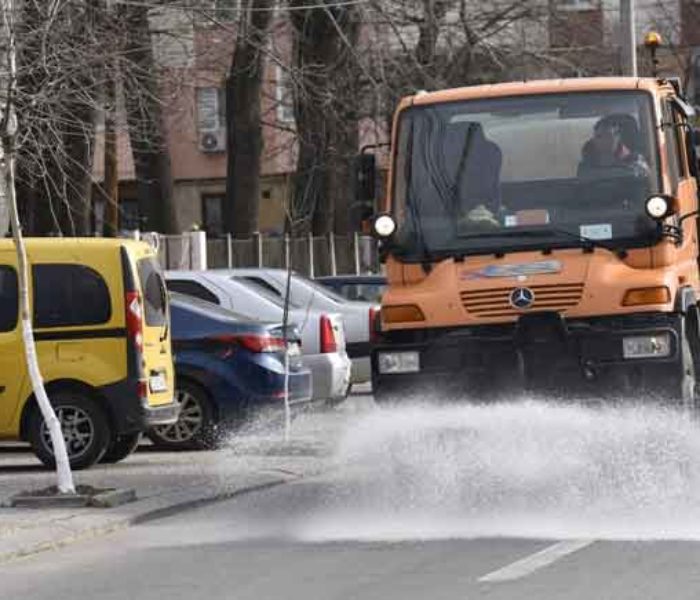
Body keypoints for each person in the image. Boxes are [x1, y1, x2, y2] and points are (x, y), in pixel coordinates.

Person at [577, 115, 649, 177]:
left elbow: (644, 176)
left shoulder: (635, 162)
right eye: (599, 136)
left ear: (618, 137)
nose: (603, 141)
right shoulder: (586, 167)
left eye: (608, 136)